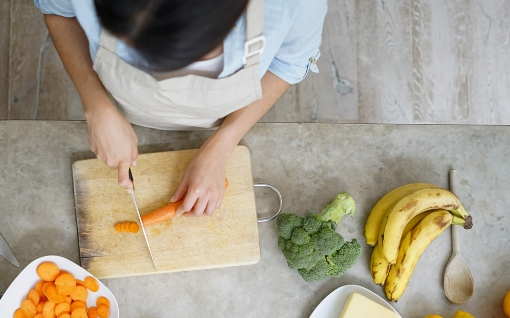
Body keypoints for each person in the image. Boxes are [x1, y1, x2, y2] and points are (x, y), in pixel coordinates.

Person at [36, 0, 326, 216]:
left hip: (224, 116)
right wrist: (96, 103)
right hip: (121, 105)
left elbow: (287, 63)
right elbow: (59, 12)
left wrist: (224, 143)